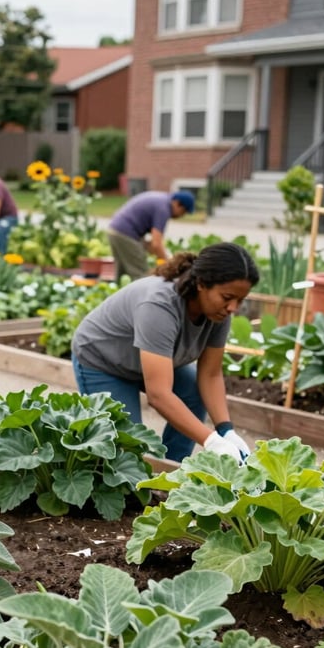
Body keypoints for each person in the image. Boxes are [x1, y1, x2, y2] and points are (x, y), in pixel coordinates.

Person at [71, 242, 259, 463]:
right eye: (227, 297)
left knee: (194, 393)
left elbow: (210, 375)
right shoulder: (160, 305)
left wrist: (226, 430)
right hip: (103, 361)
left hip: (148, 361)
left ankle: (172, 470)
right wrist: (211, 441)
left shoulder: (218, 313)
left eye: (240, 300)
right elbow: (158, 394)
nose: (233, 308)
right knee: (126, 449)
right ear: (201, 284)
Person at [107, 190, 195, 282]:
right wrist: (170, 265)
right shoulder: (163, 209)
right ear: (177, 204)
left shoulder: (161, 200)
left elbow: (152, 244)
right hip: (126, 233)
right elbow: (156, 244)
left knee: (122, 271)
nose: (182, 216)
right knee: (142, 274)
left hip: (115, 230)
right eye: (184, 212)